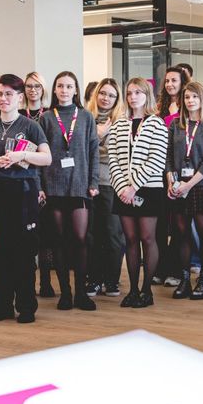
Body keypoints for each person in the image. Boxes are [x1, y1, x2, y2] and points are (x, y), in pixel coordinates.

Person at [0, 75, 52, 323]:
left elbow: (46, 158)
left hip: (24, 191)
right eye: (0, 94)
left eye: (9, 94)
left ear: (19, 97)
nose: (4, 99)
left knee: (24, 251)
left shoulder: (30, 126)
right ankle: (1, 304)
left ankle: (26, 305)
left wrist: (20, 157)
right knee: (0, 251)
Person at [38, 71, 100, 311]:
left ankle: (81, 293)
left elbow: (93, 151)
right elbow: (38, 156)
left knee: (80, 239)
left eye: (69, 86)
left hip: (80, 186)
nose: (64, 90)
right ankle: (65, 293)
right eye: (60, 86)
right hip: (53, 187)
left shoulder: (85, 117)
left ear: (76, 90)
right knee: (59, 241)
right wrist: (40, 187)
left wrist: (93, 182)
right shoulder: (44, 118)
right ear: (54, 90)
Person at [108, 78, 168, 308]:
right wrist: (123, 188)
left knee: (147, 238)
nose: (133, 97)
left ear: (147, 95)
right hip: (122, 190)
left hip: (149, 189)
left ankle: (147, 290)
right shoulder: (119, 124)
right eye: (130, 93)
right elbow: (113, 158)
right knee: (130, 240)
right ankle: (132, 290)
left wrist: (135, 187)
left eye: (138, 92)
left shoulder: (157, 124)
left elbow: (157, 160)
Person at [166, 81, 203, 300]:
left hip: (200, 185)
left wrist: (189, 184)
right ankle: (184, 279)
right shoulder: (176, 125)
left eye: (194, 97)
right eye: (187, 97)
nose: (190, 101)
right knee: (182, 233)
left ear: (202, 100)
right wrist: (172, 181)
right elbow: (169, 156)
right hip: (178, 186)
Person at [85, 78, 126, 297]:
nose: (106, 98)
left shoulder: (121, 122)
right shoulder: (84, 118)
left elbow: (117, 154)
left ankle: (111, 280)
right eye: (103, 93)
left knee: (112, 234)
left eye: (111, 95)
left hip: (112, 182)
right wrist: (97, 137)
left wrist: (95, 145)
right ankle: (93, 279)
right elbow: (78, 151)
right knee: (91, 234)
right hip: (89, 182)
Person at [155, 65, 189, 286]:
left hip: (179, 170)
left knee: (178, 225)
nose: (169, 84)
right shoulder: (160, 109)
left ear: (182, 83)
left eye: (174, 80)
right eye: (167, 81)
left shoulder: (187, 109)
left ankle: (176, 270)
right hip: (158, 170)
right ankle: (159, 267)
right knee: (159, 224)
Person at [22, 71, 53, 295]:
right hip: (21, 179)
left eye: (37, 86)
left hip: (43, 179)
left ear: (43, 90)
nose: (33, 90)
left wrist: (42, 186)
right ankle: (26, 282)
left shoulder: (50, 115)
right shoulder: (17, 115)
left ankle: (45, 282)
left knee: (45, 236)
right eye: (29, 86)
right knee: (26, 235)